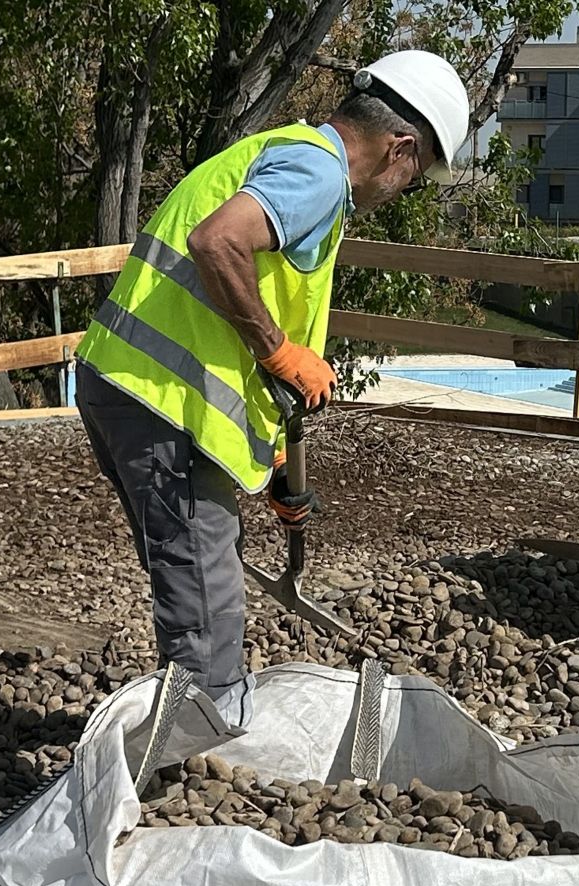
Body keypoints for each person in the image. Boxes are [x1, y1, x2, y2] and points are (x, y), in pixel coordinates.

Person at [74, 51, 467, 710]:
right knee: (206, 588)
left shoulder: (286, 150)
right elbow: (217, 244)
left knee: (188, 567)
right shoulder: (319, 173)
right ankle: (205, 733)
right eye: (416, 176)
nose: (405, 189)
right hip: (162, 404)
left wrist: (280, 460)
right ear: (400, 148)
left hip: (127, 386)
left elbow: (239, 312)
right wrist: (280, 351)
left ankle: (190, 720)